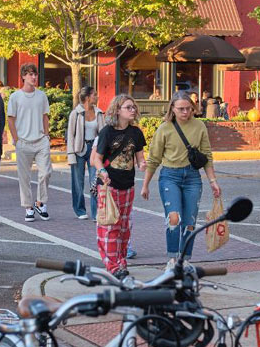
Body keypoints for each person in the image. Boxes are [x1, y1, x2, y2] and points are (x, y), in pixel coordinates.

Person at [141, 90, 221, 269]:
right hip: (170, 176)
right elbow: (154, 159)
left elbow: (207, 155)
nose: (185, 112)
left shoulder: (199, 126)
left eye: (188, 108)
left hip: (192, 177)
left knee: (190, 221)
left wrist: (213, 181)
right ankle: (171, 259)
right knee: (174, 218)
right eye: (181, 109)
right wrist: (145, 184)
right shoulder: (164, 128)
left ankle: (184, 260)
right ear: (173, 109)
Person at [91, 94, 146, 277]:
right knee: (109, 226)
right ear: (117, 110)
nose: (133, 110)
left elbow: (140, 158)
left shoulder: (136, 133)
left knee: (123, 227)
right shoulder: (107, 131)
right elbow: (97, 159)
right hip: (108, 185)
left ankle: (121, 263)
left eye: (133, 107)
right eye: (128, 107)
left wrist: (145, 165)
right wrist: (103, 172)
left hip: (128, 185)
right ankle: (112, 266)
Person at [7, 63, 52, 221]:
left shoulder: (41, 96)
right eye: (30, 74)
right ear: (23, 76)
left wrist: (46, 136)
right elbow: (11, 119)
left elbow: (45, 116)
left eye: (35, 74)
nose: (34, 77)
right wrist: (16, 140)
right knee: (24, 177)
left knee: (46, 172)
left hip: (41, 141)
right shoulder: (15, 97)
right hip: (23, 142)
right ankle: (28, 207)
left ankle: (40, 202)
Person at [67, 86, 106, 220]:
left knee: (95, 181)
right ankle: (80, 210)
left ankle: (96, 213)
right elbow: (70, 135)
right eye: (95, 95)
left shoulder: (99, 113)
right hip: (79, 149)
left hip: (94, 149)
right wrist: (70, 155)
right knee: (78, 182)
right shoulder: (76, 113)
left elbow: (103, 133)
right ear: (88, 97)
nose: (97, 97)